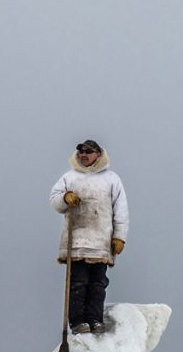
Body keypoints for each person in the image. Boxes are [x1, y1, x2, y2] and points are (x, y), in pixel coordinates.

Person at [49, 139, 128, 334]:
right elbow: (54, 199)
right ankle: (77, 322)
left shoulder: (112, 179)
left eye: (89, 151)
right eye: (81, 151)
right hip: (76, 241)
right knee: (78, 282)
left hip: (101, 241)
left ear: (99, 155)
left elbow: (121, 210)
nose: (84, 155)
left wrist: (119, 237)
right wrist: (65, 197)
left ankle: (95, 319)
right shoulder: (70, 177)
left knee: (98, 283)